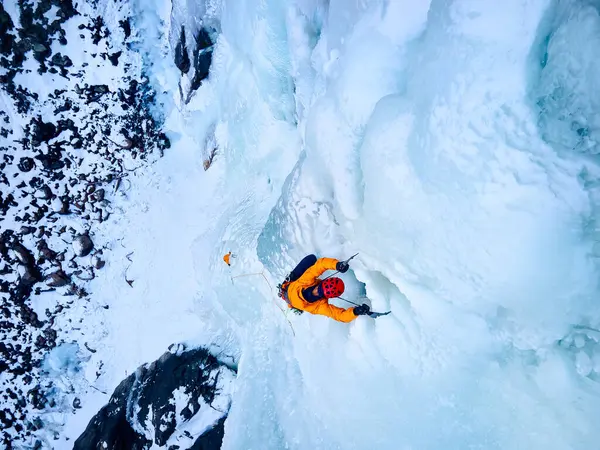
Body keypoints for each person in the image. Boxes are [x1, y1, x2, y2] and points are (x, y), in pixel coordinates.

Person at [279, 254, 371, 322]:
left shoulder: (306, 281)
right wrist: (355, 312)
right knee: (312, 260)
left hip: (287, 288)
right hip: (292, 301)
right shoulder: (319, 306)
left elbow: (320, 265)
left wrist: (337, 265)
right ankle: (294, 306)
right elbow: (340, 316)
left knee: (311, 259)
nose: (316, 291)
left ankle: (286, 285)